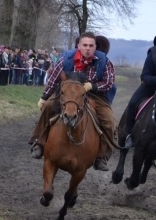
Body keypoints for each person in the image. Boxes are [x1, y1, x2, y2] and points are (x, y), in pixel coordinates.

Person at [28, 32, 115, 171]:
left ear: (95, 47)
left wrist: (93, 86)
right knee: (49, 106)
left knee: (109, 121)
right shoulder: (66, 58)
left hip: (95, 94)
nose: (87, 48)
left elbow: (109, 82)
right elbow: (54, 79)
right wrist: (44, 97)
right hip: (68, 92)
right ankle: (39, 142)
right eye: (84, 45)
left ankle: (101, 155)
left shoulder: (104, 61)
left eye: (91, 46)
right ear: (79, 45)